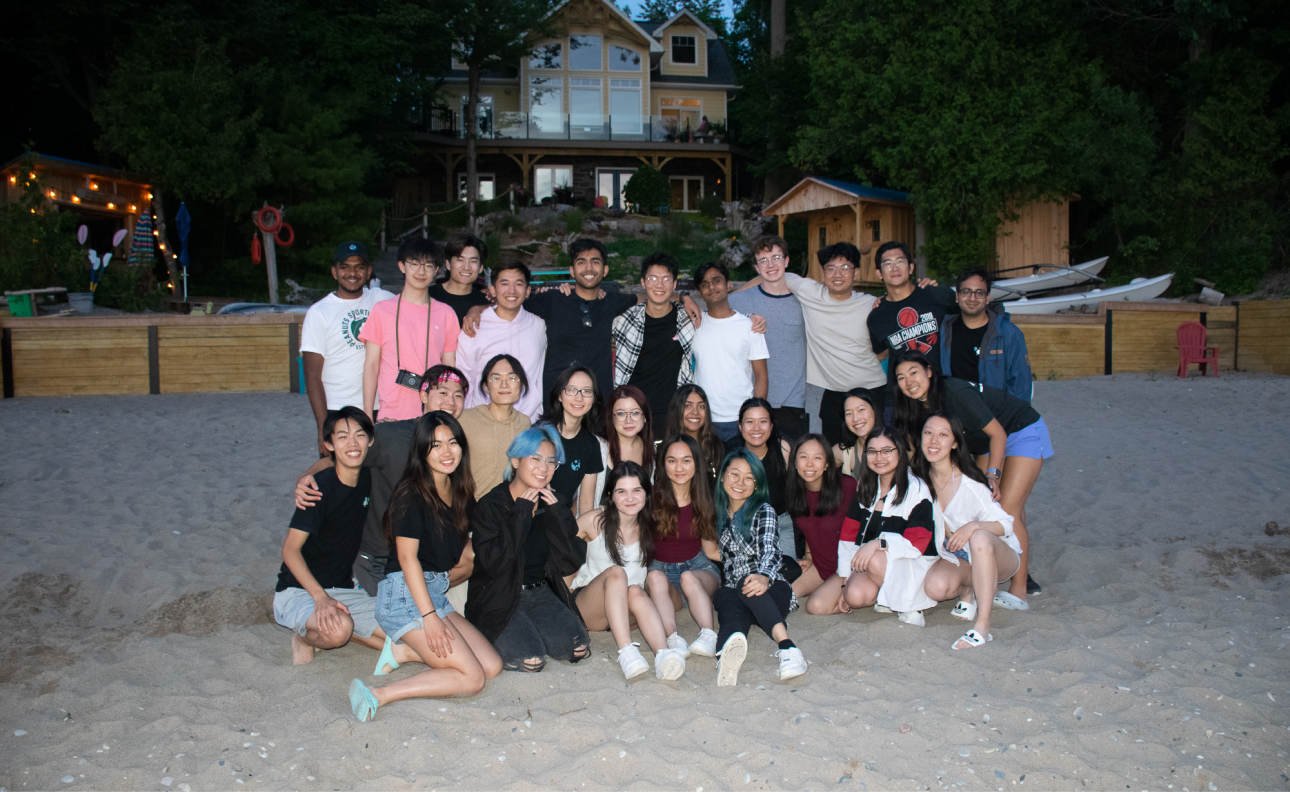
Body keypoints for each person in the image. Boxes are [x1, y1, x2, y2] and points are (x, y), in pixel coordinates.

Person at [348, 412, 503, 722]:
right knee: (473, 678)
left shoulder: (459, 493)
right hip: (406, 593)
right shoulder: (411, 494)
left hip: (434, 590)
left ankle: (404, 651)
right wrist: (430, 619)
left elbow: (485, 531)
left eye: (453, 443)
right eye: (435, 445)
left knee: (491, 666)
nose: (447, 452)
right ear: (421, 451)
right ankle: (378, 694)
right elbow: (407, 561)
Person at [294, 366, 473, 598]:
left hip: (426, 550)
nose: (451, 401)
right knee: (395, 626)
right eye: (443, 392)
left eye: (458, 395)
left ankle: (421, 599)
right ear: (424, 395)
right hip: (380, 555)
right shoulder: (391, 435)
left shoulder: (455, 445)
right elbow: (341, 458)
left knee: (471, 557)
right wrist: (306, 477)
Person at [891, 352, 1052, 603]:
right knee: (990, 503)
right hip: (985, 443)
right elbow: (913, 449)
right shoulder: (915, 406)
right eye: (901, 377)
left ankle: (1020, 586)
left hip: (1019, 430)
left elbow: (998, 433)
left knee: (1008, 506)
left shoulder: (954, 392)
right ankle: (993, 565)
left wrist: (993, 474)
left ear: (930, 372)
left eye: (914, 372)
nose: (909, 381)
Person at [464, 238, 698, 403]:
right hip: (556, 405)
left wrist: (685, 297)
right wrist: (479, 307)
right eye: (581, 262)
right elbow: (512, 301)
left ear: (605, 270)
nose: (589, 267)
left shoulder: (613, 301)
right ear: (572, 271)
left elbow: (650, 296)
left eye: (595, 262)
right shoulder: (554, 299)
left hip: (599, 403)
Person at [275, 407, 416, 667]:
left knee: (408, 636)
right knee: (339, 631)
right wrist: (320, 598)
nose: (352, 443)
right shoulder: (318, 489)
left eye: (359, 435)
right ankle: (304, 638)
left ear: (371, 441)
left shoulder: (367, 476)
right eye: (342, 437)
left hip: (343, 590)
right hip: (299, 590)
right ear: (329, 444)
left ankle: (400, 651)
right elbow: (289, 550)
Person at [733, 242, 884, 447]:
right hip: (832, 393)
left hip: (870, 390)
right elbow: (769, 274)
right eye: (831, 268)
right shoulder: (809, 292)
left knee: (878, 452)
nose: (837, 274)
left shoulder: (871, 304)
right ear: (822, 274)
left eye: (845, 268)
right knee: (835, 459)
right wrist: (740, 302)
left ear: (856, 273)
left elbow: (889, 343)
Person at [466, 426, 590, 672]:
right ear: (515, 460)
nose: (543, 468)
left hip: (540, 594)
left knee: (577, 648)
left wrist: (557, 515)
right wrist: (522, 511)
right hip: (500, 597)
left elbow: (571, 561)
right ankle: (520, 634)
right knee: (531, 659)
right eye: (535, 459)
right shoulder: (491, 505)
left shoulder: (553, 502)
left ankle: (533, 627)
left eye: (551, 462)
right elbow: (495, 563)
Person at [570, 461, 686, 680]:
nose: (630, 498)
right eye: (621, 491)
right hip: (592, 608)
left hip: (627, 611)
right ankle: (626, 652)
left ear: (646, 494)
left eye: (637, 490)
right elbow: (560, 553)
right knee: (617, 574)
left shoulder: (650, 524)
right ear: (611, 495)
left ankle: (663, 655)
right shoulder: (594, 521)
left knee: (635, 590)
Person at [916, 413, 1022, 650]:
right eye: (928, 432)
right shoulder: (919, 481)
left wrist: (973, 525)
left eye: (943, 435)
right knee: (936, 587)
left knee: (980, 537)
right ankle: (970, 589)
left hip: (998, 556)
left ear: (955, 443)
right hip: (959, 556)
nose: (933, 441)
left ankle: (982, 626)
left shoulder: (969, 483)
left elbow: (1006, 525)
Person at [710, 449, 807, 685]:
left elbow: (771, 550)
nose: (740, 483)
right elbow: (712, 551)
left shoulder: (764, 511)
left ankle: (788, 648)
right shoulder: (717, 514)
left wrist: (763, 576)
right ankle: (726, 657)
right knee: (724, 597)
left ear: (757, 484)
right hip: (736, 593)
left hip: (771, 591)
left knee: (747, 582)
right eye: (734, 474)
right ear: (722, 476)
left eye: (749, 477)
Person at [301, 241, 395, 455]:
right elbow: (312, 375)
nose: (352, 273)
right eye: (345, 267)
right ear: (334, 272)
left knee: (377, 481)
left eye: (359, 266)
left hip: (378, 407)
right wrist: (322, 427)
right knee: (341, 480)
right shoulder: (319, 312)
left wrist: (480, 304)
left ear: (368, 271)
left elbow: (421, 302)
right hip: (338, 408)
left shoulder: (383, 299)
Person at [839, 425, 938, 625]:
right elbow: (849, 535)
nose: (879, 457)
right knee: (855, 596)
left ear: (900, 453)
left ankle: (910, 605)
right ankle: (887, 595)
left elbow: (917, 543)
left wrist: (878, 543)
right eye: (872, 452)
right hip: (877, 563)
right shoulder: (865, 486)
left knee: (875, 558)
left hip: (913, 562)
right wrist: (844, 580)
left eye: (886, 451)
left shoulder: (917, 489)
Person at [360, 237, 459, 422]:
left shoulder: (446, 314)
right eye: (414, 264)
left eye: (428, 265)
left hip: (432, 417)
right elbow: (371, 366)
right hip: (390, 417)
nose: (421, 271)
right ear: (401, 266)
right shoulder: (382, 311)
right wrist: (367, 414)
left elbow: (449, 370)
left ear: (436, 270)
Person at [645, 434, 722, 659]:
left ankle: (708, 635)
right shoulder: (649, 497)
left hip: (699, 568)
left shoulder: (704, 497)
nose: (679, 467)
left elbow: (710, 550)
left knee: (688, 577)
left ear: (696, 464)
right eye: (672, 460)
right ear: (663, 464)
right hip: (663, 573)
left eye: (686, 460)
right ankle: (673, 638)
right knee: (655, 577)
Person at [729, 236, 809, 441]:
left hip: (792, 402)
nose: (771, 265)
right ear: (756, 268)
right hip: (754, 401)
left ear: (787, 261)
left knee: (792, 466)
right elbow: (709, 309)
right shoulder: (742, 300)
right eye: (763, 260)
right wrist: (684, 296)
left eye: (776, 258)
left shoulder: (805, 301)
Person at [456, 260, 546, 421]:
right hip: (482, 421)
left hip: (528, 423)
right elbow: (464, 376)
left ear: (527, 290)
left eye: (518, 284)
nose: (511, 290)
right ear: (493, 290)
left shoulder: (538, 325)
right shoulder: (475, 325)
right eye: (504, 283)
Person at [691, 261, 769, 442]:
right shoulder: (694, 324)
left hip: (740, 418)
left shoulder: (750, 327)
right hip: (704, 419)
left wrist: (754, 417)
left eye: (717, 281)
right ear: (699, 293)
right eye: (704, 284)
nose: (711, 287)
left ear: (728, 285)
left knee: (740, 470)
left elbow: (761, 376)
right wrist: (684, 298)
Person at [611, 253, 695, 418]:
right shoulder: (624, 320)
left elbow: (720, 318)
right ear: (643, 282)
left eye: (666, 279)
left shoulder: (688, 321)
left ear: (674, 284)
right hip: (632, 414)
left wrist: (753, 318)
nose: (659, 285)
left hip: (672, 414)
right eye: (653, 279)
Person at [783, 433, 858, 612]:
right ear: (794, 463)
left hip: (847, 568)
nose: (809, 464)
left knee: (816, 607)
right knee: (785, 593)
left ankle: (853, 596)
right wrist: (808, 556)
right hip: (820, 566)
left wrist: (848, 581)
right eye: (803, 457)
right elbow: (811, 527)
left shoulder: (847, 487)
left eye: (817, 457)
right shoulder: (795, 492)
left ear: (826, 464)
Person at [865, 241, 957, 387]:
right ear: (879, 273)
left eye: (900, 261)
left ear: (911, 268)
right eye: (888, 263)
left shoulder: (937, 295)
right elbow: (881, 354)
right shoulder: (876, 317)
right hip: (906, 394)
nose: (894, 268)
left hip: (944, 387)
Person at [939, 268, 1033, 401]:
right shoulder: (943, 329)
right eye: (966, 292)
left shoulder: (1009, 334)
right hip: (955, 414)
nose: (972, 298)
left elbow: (1020, 387)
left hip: (995, 415)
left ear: (988, 298)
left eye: (979, 292)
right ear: (957, 296)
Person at [725, 398, 795, 563]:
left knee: (785, 575)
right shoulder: (731, 452)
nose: (756, 428)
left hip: (780, 523)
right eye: (750, 422)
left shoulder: (783, 449)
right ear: (740, 426)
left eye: (763, 421)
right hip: (742, 525)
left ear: (771, 426)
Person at [457, 354, 532, 498]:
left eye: (512, 378)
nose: (504, 384)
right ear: (485, 387)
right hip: (470, 511)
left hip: (509, 512)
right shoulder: (465, 419)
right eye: (496, 378)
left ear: (521, 386)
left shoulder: (525, 423)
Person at [540, 366, 606, 516]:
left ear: (594, 398)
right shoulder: (539, 434)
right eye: (571, 390)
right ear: (559, 395)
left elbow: (586, 506)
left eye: (587, 391)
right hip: (526, 521)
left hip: (560, 526)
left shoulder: (591, 445)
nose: (579, 397)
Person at [660, 384, 726, 482]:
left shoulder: (718, 448)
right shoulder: (663, 447)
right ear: (677, 409)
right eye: (688, 406)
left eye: (701, 406)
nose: (695, 412)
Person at [429, 233, 493, 324]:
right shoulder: (428, 296)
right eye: (460, 260)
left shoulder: (485, 303)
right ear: (448, 264)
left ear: (480, 268)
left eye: (473, 261)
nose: (466, 267)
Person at [833, 389, 879, 478]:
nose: (855, 419)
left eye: (861, 410)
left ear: (875, 410)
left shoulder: (898, 443)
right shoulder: (844, 451)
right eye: (849, 413)